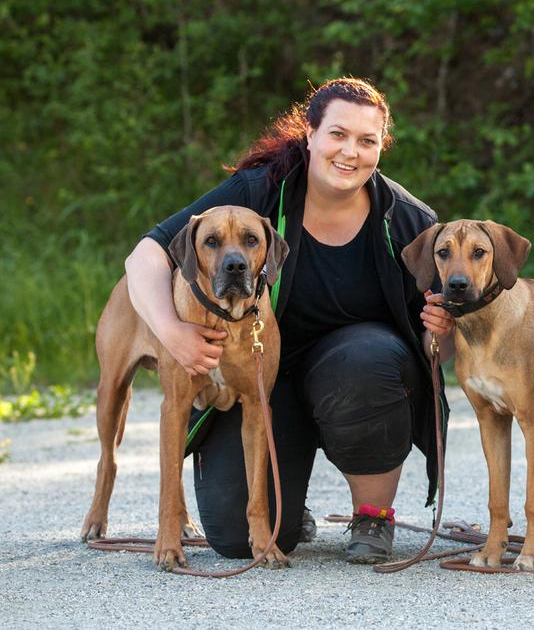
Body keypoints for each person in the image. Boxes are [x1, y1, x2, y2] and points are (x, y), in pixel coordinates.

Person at [125, 77, 456, 564]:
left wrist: (440, 332)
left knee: (371, 358)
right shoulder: (259, 192)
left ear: (380, 148)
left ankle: (371, 514)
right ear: (311, 134)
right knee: (237, 540)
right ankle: (288, 504)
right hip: (259, 378)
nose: (350, 152)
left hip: (357, 378)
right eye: (337, 135)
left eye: (367, 141)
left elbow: (435, 353)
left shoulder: (406, 220)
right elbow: (145, 256)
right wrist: (172, 332)